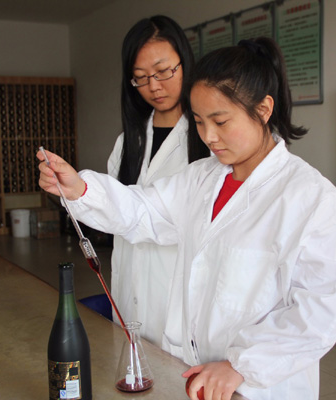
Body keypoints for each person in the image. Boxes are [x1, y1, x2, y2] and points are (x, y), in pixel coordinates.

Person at [38, 37, 336, 400]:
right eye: (200, 122)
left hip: (259, 387)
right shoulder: (202, 178)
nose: (208, 137)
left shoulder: (311, 199)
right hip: (189, 373)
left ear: (264, 109)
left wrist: (241, 366)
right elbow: (144, 211)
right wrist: (80, 189)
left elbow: (320, 311)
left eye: (220, 121)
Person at [107, 15, 209, 345]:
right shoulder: (127, 143)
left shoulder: (207, 140)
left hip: (181, 305)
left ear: (185, 63)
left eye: (164, 72)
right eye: (141, 77)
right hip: (129, 298)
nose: (153, 86)